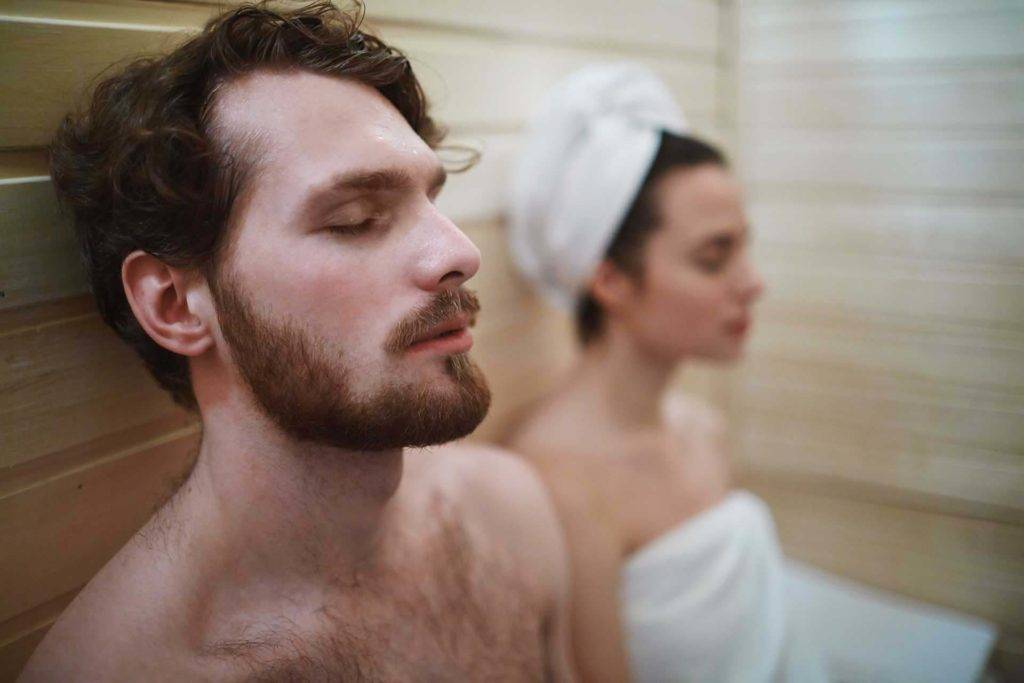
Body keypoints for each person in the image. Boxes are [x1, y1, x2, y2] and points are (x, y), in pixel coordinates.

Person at [20, 3, 574, 680]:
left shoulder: (511, 518)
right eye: (356, 219)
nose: (457, 252)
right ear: (175, 304)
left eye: (433, 201)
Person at [505, 64, 824, 682]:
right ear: (611, 280)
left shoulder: (703, 429)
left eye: (743, 248)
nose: (752, 283)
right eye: (713, 258)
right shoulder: (558, 485)